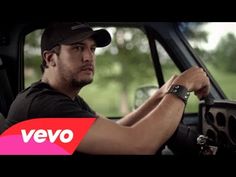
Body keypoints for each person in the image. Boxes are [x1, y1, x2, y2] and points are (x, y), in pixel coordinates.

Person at [1, 22, 210, 154]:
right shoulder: (44, 107)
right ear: (50, 58)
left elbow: (119, 130)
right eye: (77, 48)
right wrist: (183, 86)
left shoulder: (64, 98)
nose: (88, 56)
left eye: (92, 49)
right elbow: (138, 145)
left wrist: (158, 96)